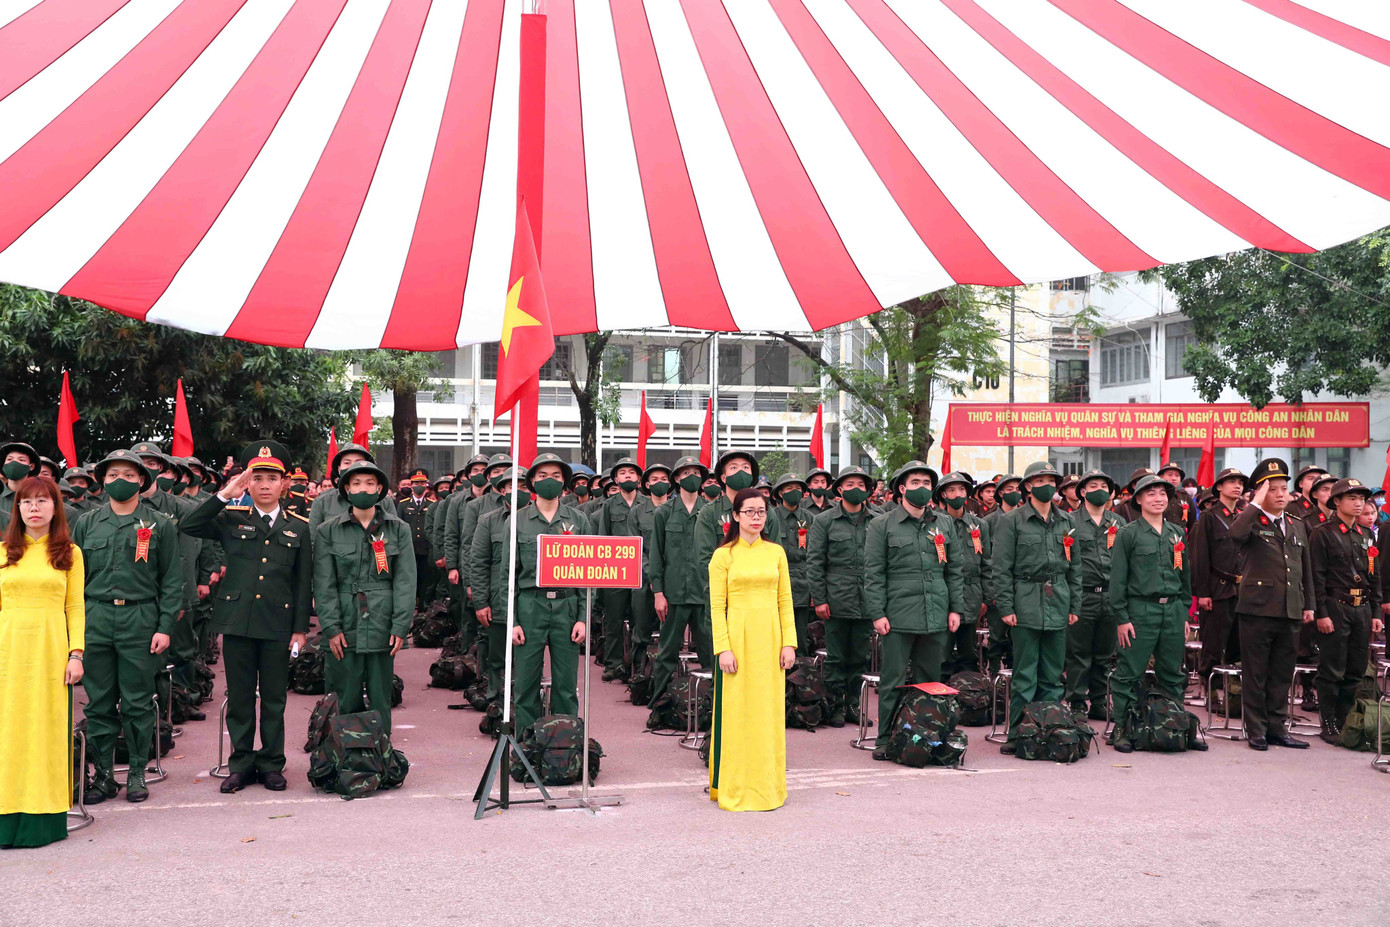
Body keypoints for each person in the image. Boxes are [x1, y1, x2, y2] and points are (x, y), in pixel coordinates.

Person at [182, 442, 311, 791]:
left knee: (273, 698)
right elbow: (189, 524)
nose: (265, 484)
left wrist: (300, 629)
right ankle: (240, 763)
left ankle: (271, 763)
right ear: (247, 483)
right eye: (257, 478)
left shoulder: (299, 527)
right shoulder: (231, 517)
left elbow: (302, 584)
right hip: (237, 620)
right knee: (239, 697)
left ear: (285, 484)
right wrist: (225, 493)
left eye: (272, 478)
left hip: (277, 624)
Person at [71, 449, 183, 803]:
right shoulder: (87, 523)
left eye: (129, 475)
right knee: (99, 703)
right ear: (102, 481)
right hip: (96, 618)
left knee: (136, 701)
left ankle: (136, 771)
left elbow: (171, 580)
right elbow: (74, 581)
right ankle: (104, 775)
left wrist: (165, 626)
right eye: (113, 474)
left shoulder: (159, 525)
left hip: (140, 619)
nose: (121, 480)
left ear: (141, 481)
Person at [470, 456, 589, 734]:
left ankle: (563, 745)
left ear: (564, 482)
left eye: (556, 476)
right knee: (525, 685)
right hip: (529, 605)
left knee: (566, 685)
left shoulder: (578, 520)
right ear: (532, 481)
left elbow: (586, 577)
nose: (550, 480)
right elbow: (507, 576)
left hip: (567, 606)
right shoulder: (518, 521)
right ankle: (528, 744)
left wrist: (583, 618)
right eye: (543, 475)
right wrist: (512, 621)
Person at [0, 478, 85, 847]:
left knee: (45, 731)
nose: (34, 508)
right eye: (26, 502)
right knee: (8, 733)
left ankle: (43, 819)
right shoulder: (3, 551)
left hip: (51, 651)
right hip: (8, 651)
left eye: (42, 501)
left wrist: (76, 653)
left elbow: (75, 606)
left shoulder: (69, 552)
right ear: (17, 509)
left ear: (55, 508)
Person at [863, 462, 965, 760]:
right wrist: (878, 613)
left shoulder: (943, 524)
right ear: (902, 488)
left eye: (926, 482)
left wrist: (955, 608)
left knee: (931, 681)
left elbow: (955, 570)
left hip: (935, 611)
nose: (922, 487)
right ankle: (885, 739)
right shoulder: (882, 525)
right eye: (915, 482)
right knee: (893, 679)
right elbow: (874, 573)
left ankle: (927, 736)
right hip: (897, 614)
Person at [707, 487, 796, 812]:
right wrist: (723, 649)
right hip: (737, 642)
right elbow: (717, 607)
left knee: (768, 714)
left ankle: (769, 787)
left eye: (761, 511)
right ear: (736, 516)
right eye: (750, 512)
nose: (756, 517)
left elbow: (785, 600)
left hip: (770, 641)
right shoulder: (723, 556)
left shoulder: (775, 553)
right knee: (737, 714)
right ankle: (734, 785)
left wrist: (789, 642)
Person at [313, 459, 414, 736]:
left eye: (370, 483)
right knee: (346, 696)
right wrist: (331, 627)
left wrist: (400, 626)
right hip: (345, 622)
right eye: (356, 483)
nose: (363, 488)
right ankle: (347, 762)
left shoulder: (398, 529)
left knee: (382, 697)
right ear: (346, 488)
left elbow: (405, 581)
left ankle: (380, 758)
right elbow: (324, 584)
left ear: (380, 488)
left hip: (383, 621)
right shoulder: (328, 530)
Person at [990, 461, 1080, 755]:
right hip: (1025, 599)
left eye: (1051, 480)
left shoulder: (1066, 521)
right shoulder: (1012, 521)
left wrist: (1073, 604)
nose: (1047, 485)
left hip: (1058, 599)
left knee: (1053, 674)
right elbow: (1001, 568)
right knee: (1025, 674)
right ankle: (1018, 732)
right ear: (1027, 486)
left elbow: (1074, 569)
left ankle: (1050, 728)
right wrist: (1005, 606)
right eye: (1040, 480)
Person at [1107, 476, 1201, 753]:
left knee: (1173, 672)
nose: (1158, 499)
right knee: (1129, 673)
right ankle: (1122, 728)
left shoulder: (1176, 533)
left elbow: (1184, 577)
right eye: (1151, 494)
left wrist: (1184, 612)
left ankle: (1177, 726)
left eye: (1162, 494)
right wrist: (1122, 618)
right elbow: (1118, 581)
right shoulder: (1128, 533)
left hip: (1172, 610)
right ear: (1138, 499)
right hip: (1139, 611)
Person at [1227, 457, 1316, 751]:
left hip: (1290, 608)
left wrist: (1309, 605)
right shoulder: (1250, 520)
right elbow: (1235, 535)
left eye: (1283, 489)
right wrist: (1254, 504)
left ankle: (1278, 727)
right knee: (1256, 672)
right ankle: (1256, 730)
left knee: (1281, 673)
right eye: (1272, 489)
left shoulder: (1296, 525)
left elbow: (1305, 569)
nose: (1280, 494)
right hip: (1257, 609)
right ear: (1259, 493)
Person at [1308, 479, 1383, 743]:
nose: (1358, 502)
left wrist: (1376, 612)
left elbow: (1374, 576)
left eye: (1361, 498)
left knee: (1356, 668)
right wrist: (1321, 613)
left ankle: (1345, 718)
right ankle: (1328, 721)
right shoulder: (1323, 533)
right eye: (1351, 497)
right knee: (1332, 668)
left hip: (1361, 609)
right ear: (1336, 502)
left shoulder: (1366, 535)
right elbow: (1315, 577)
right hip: (1335, 608)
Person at [805, 466, 873, 728]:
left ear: (867, 489)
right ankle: (833, 705)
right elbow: (815, 562)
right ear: (840, 489)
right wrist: (820, 598)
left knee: (860, 655)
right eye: (850, 484)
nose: (856, 488)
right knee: (835, 657)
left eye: (860, 484)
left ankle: (853, 704)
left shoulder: (876, 520)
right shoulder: (825, 521)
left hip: (867, 598)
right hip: (836, 598)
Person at [647, 456, 711, 717]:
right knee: (666, 652)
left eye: (696, 472)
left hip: (705, 594)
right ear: (676, 479)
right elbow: (656, 556)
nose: (691, 477)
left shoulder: (710, 512)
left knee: (710, 653)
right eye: (685, 472)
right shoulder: (664, 512)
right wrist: (658, 593)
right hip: (673, 594)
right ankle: (659, 703)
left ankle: (712, 704)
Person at [1064, 469, 1124, 721]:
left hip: (1110, 595)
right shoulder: (1069, 522)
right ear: (1083, 491)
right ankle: (1077, 701)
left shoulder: (1118, 522)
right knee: (1078, 654)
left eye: (1104, 485)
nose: (1099, 489)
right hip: (1082, 595)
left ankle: (1099, 700)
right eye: (1093, 485)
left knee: (1104, 653)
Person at [595, 457, 654, 682]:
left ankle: (639, 665)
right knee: (614, 620)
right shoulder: (609, 505)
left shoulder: (646, 504)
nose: (627, 476)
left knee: (641, 619)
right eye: (623, 473)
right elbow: (603, 538)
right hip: (616, 570)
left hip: (640, 569)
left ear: (639, 479)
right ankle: (613, 664)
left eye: (632, 472)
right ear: (616, 479)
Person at [1189, 468, 1249, 681]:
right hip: (1217, 589)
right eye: (1231, 482)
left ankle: (1233, 692)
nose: (1237, 486)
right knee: (1213, 646)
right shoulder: (1209, 517)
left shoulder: (1242, 517)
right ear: (1219, 488)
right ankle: (1210, 689)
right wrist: (1203, 592)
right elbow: (1199, 557)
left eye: (1240, 483)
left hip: (1241, 590)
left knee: (1239, 645)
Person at [936, 472, 989, 676]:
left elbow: (987, 563)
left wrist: (986, 597)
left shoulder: (979, 526)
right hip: (944, 594)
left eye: (961, 489)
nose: (957, 494)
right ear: (943, 495)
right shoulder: (936, 524)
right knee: (942, 654)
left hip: (972, 594)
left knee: (969, 653)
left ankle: (970, 699)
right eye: (951, 490)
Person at [770, 473, 815, 658]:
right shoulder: (770, 516)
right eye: (789, 489)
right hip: (776, 583)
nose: (793, 492)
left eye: (797, 489)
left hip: (803, 585)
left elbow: (816, 554)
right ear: (780, 492)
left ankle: (801, 681)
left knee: (800, 637)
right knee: (775, 635)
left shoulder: (810, 518)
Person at [982, 473, 1023, 674]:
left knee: (1019, 641)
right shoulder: (988, 522)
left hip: (1022, 590)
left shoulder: (1025, 519)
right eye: (1009, 489)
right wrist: (992, 594)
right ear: (1000, 493)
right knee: (996, 638)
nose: (1014, 493)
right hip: (997, 591)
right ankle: (994, 677)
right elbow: (987, 561)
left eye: (1018, 489)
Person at [308, 443, 397, 532]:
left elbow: (394, 532)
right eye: (347, 463)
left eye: (358, 462)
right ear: (339, 469)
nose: (353, 466)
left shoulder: (385, 501)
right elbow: (314, 539)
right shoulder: (322, 502)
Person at [398, 467, 435, 611]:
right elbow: (399, 527)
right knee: (409, 582)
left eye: (422, 482)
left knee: (425, 583)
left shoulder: (432, 505)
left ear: (426, 485)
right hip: (409, 550)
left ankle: (423, 611)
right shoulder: (403, 504)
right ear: (411, 485)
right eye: (416, 482)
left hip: (426, 550)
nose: (419, 485)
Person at [0, 442, 40, 529]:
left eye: (21, 460)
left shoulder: (40, 498)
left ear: (31, 466)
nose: (14, 463)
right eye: (9, 459)